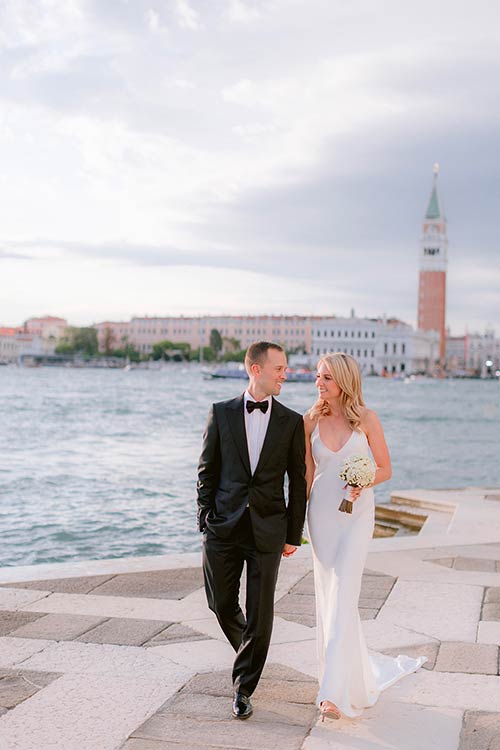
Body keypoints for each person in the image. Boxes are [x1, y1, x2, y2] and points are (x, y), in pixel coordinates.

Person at [304, 352, 426, 720]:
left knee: (344, 593)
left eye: (326, 377)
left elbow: (386, 468)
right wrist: (294, 525)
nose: (318, 383)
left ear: (343, 380)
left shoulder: (367, 419)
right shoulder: (307, 421)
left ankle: (332, 694)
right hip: (322, 517)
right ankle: (342, 677)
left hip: (357, 517)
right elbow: (307, 477)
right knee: (330, 598)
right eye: (317, 376)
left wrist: (362, 480)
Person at [197, 341, 307, 720]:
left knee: (260, 612)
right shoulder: (221, 413)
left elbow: (299, 481)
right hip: (223, 527)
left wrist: (294, 534)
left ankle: (244, 688)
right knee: (221, 603)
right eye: (279, 368)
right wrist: (204, 520)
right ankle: (253, 651)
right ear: (255, 369)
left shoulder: (292, 421)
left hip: (269, 529)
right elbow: (207, 470)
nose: (285, 374)